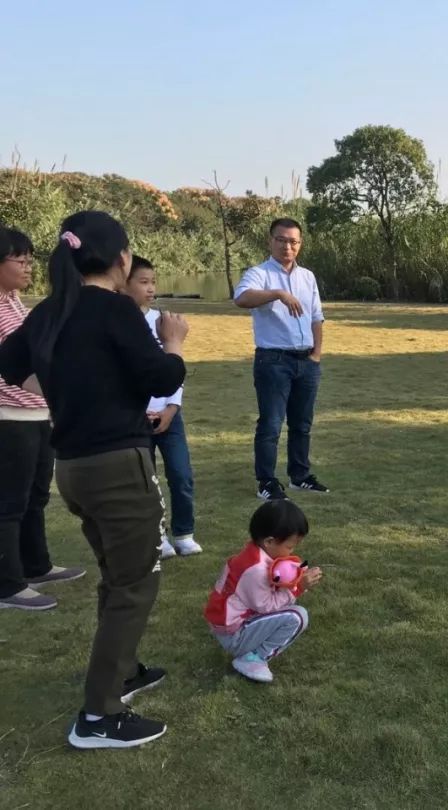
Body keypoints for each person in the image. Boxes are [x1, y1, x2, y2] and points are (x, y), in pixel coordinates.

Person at [0, 211, 189, 749]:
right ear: (121, 258)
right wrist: (173, 341)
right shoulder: (116, 309)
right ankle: (99, 717)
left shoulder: (49, 311)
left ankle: (122, 672)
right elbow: (162, 375)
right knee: (135, 583)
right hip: (116, 466)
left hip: (73, 467)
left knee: (116, 573)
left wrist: (69, 391)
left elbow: (8, 365)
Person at [0, 227, 85, 611]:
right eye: (20, 260)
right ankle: (8, 585)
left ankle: (36, 565)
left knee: (36, 495)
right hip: (8, 416)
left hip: (36, 413)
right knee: (9, 501)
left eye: (30, 260)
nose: (28, 267)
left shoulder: (15, 302)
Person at [234, 218, 328, 501]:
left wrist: (316, 354)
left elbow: (316, 316)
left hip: (306, 361)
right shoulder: (259, 273)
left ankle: (300, 476)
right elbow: (241, 298)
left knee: (302, 424)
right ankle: (266, 481)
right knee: (271, 424)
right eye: (282, 240)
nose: (288, 246)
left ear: (300, 244)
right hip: (273, 360)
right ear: (270, 241)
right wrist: (278, 294)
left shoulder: (307, 277)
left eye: (293, 241)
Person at [124, 256, 200, 559]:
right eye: (143, 282)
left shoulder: (163, 321)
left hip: (168, 414)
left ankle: (184, 533)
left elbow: (175, 366)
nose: (151, 288)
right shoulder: (118, 323)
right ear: (123, 283)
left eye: (153, 282)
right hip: (136, 417)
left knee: (181, 474)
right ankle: (158, 536)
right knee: (147, 481)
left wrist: (172, 408)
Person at [204, 500, 322, 683]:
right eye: (290, 547)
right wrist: (298, 588)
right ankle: (253, 658)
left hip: (230, 626)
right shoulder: (256, 570)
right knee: (297, 616)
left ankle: (251, 651)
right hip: (234, 635)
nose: (292, 551)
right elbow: (267, 606)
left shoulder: (253, 554)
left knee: (288, 608)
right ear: (269, 542)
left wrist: (294, 578)